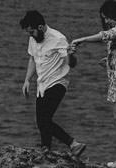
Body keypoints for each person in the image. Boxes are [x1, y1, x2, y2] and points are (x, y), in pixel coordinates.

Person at [71, 0, 116, 168]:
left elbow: (107, 35)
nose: (107, 21)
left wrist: (83, 39)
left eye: (107, 17)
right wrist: (108, 61)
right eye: (104, 18)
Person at [19, 10, 86, 157]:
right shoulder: (33, 39)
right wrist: (27, 80)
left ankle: (73, 143)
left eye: (32, 32)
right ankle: (46, 150)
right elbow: (32, 58)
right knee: (41, 122)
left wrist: (71, 54)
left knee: (44, 119)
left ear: (41, 28)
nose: (31, 35)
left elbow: (72, 64)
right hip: (42, 85)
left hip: (57, 83)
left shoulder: (58, 39)